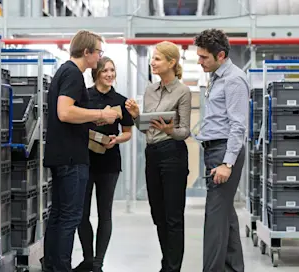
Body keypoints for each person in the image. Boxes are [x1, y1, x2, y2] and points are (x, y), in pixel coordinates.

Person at [42, 30, 120, 272]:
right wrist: (101, 114)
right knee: (69, 218)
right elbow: (64, 112)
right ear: (86, 52)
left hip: (62, 154)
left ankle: (53, 266)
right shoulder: (74, 75)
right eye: (98, 52)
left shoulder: (65, 72)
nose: (99, 57)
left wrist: (91, 121)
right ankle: (61, 267)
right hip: (71, 158)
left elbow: (69, 114)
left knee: (58, 216)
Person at [125, 41, 191, 272]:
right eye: (153, 58)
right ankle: (167, 263)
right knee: (158, 215)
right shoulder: (149, 90)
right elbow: (146, 129)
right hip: (152, 154)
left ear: (172, 63)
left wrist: (169, 130)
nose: (153, 63)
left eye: (158, 59)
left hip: (173, 154)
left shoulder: (182, 92)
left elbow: (185, 131)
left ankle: (172, 268)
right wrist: (136, 116)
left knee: (173, 217)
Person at [194, 28, 248, 272]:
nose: (199, 61)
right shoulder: (217, 76)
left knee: (214, 218)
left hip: (225, 151)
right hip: (214, 149)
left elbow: (238, 125)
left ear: (221, 55)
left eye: (204, 57)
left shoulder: (233, 80)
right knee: (226, 215)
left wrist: (227, 163)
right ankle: (234, 268)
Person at [73, 57, 134, 272]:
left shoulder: (121, 100)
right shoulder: (84, 97)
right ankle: (88, 258)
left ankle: (98, 263)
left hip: (109, 162)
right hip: (85, 161)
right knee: (81, 213)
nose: (109, 74)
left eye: (112, 70)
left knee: (104, 213)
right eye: (105, 70)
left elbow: (127, 133)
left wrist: (117, 140)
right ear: (96, 73)